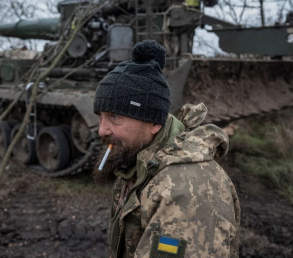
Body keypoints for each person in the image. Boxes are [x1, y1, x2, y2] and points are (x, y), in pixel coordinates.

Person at [93, 40, 240, 258]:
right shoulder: (136, 162)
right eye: (100, 117)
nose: (101, 130)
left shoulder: (187, 191)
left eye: (115, 117)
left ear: (154, 123)